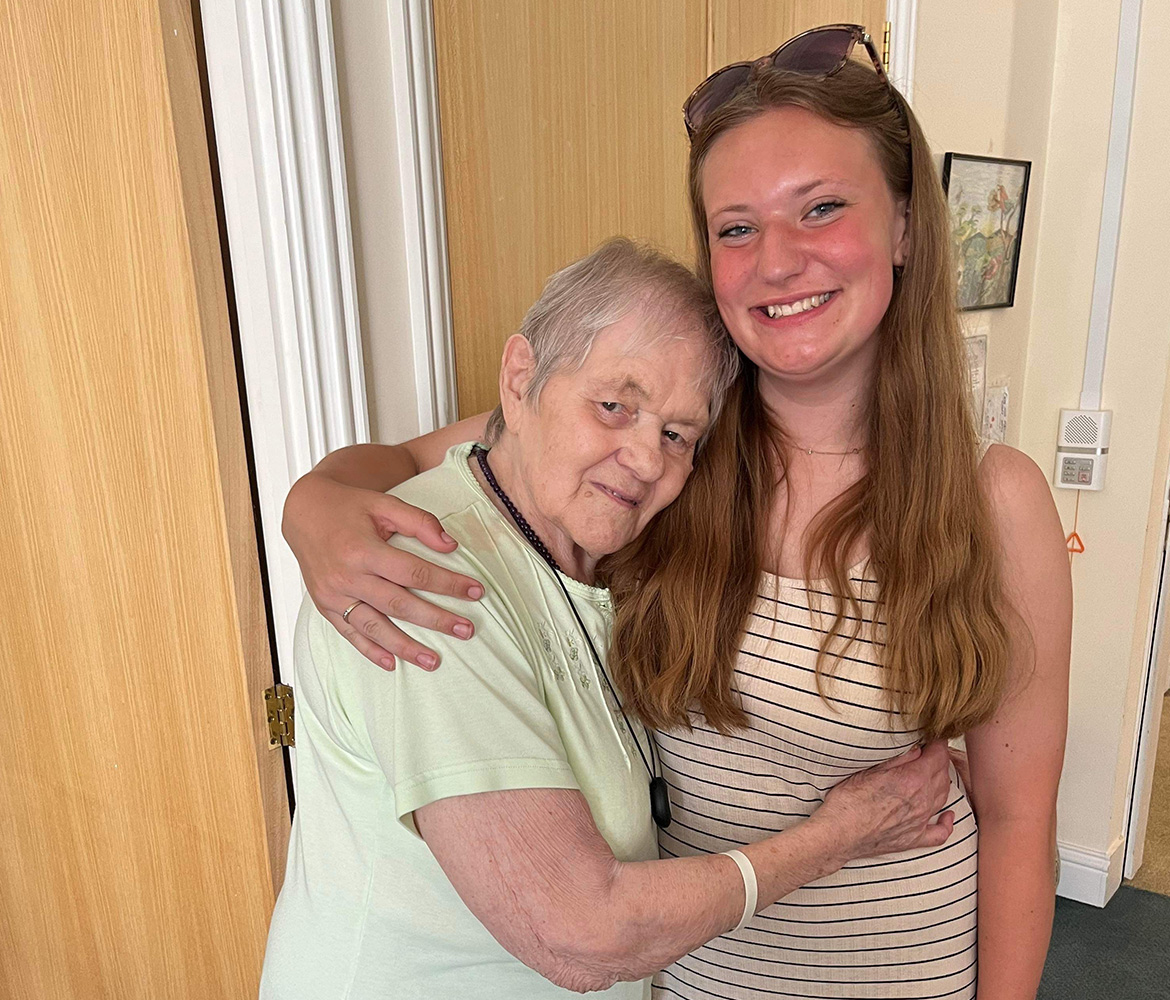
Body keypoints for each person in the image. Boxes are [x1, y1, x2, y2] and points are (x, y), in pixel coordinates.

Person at [282, 25, 1072, 1000]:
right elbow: (402, 462)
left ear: (907, 227)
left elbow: (1020, 815)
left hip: (900, 968)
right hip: (684, 969)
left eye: (821, 208)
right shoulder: (662, 443)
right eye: (737, 227)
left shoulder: (994, 499)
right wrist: (313, 503)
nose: (777, 260)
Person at [261, 238, 956, 1000]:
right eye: (614, 406)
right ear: (520, 378)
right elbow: (582, 935)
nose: (646, 459)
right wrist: (840, 837)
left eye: (677, 434)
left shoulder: (587, 539)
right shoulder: (426, 579)